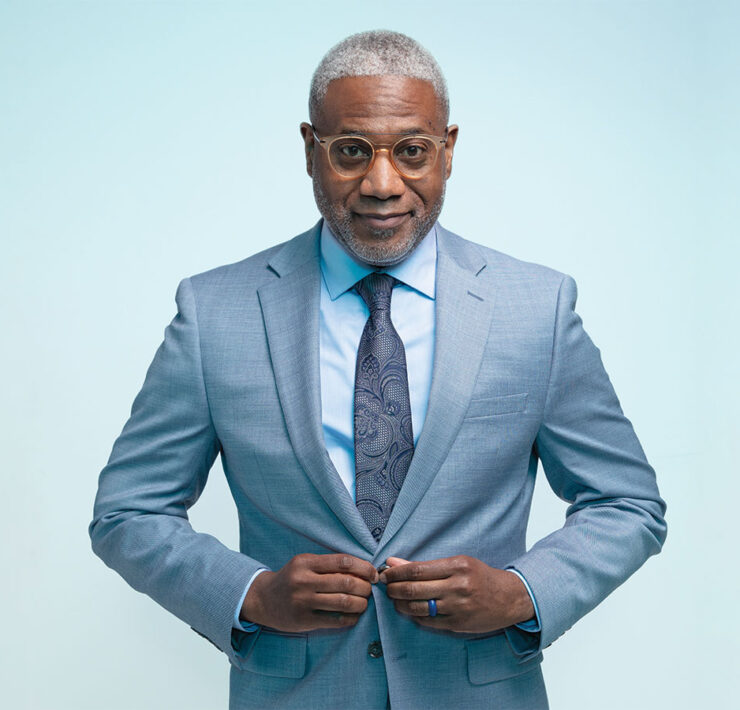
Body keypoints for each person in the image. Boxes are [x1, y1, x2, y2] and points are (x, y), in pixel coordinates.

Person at [90, 30, 667, 710]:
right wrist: (253, 593)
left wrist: (519, 592)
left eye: (412, 151)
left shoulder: (537, 309)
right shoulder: (214, 312)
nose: (383, 183)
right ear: (311, 150)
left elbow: (628, 505)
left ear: (448, 152)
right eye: (352, 152)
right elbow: (128, 512)